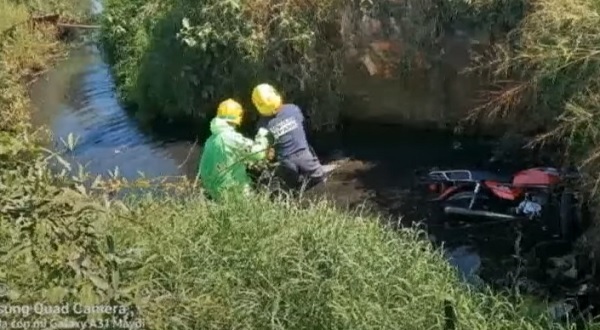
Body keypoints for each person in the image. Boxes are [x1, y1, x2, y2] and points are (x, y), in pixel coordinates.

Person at [251, 83, 326, 189]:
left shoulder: (262, 125)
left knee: (291, 189)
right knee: (320, 178)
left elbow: (266, 152)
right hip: (305, 157)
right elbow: (302, 128)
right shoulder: (293, 109)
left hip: (287, 165)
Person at [198, 98, 270, 200]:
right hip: (236, 192)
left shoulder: (210, 140)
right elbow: (259, 153)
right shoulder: (230, 137)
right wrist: (262, 137)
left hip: (215, 193)